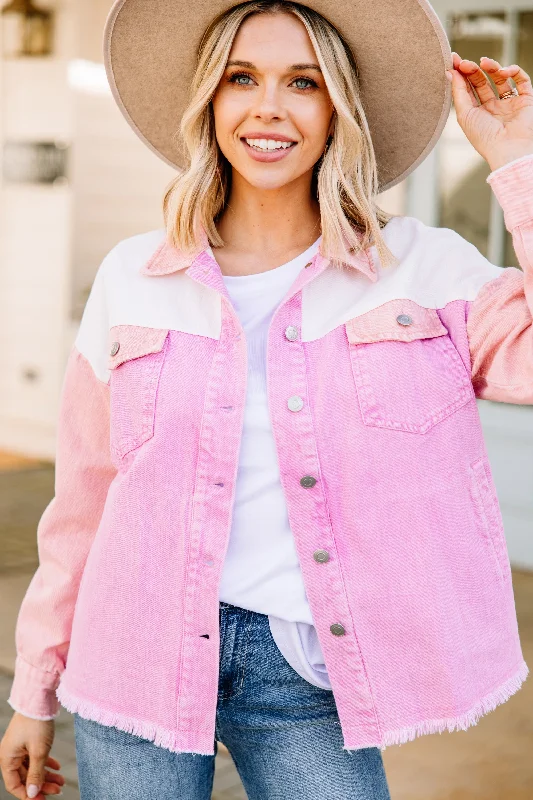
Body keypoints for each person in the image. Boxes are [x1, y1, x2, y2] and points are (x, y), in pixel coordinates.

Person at [1, 0, 532, 797]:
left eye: (303, 82)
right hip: (133, 656)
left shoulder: (424, 269)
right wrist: (33, 688)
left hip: (308, 675)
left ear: (336, 110)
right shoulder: (132, 276)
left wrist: (514, 155)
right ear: (208, 100)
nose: (268, 108)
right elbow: (82, 505)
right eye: (240, 77)